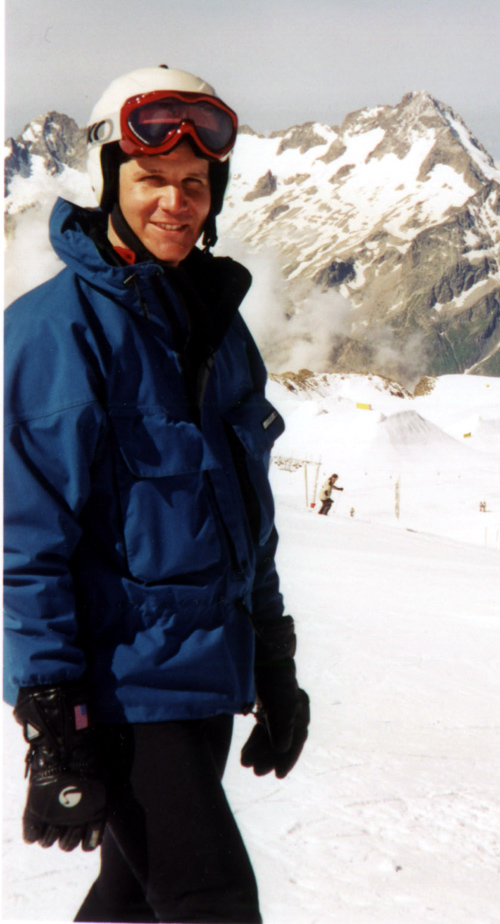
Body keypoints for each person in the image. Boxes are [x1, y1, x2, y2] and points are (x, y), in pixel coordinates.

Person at [3, 66, 310, 924]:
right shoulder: (55, 332)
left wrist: (272, 653)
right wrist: (54, 718)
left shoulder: (215, 324)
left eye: (195, 184)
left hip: (203, 677)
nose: (176, 203)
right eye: (151, 181)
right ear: (109, 182)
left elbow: (247, 518)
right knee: (213, 901)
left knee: (133, 899)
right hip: (123, 690)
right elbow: (26, 542)